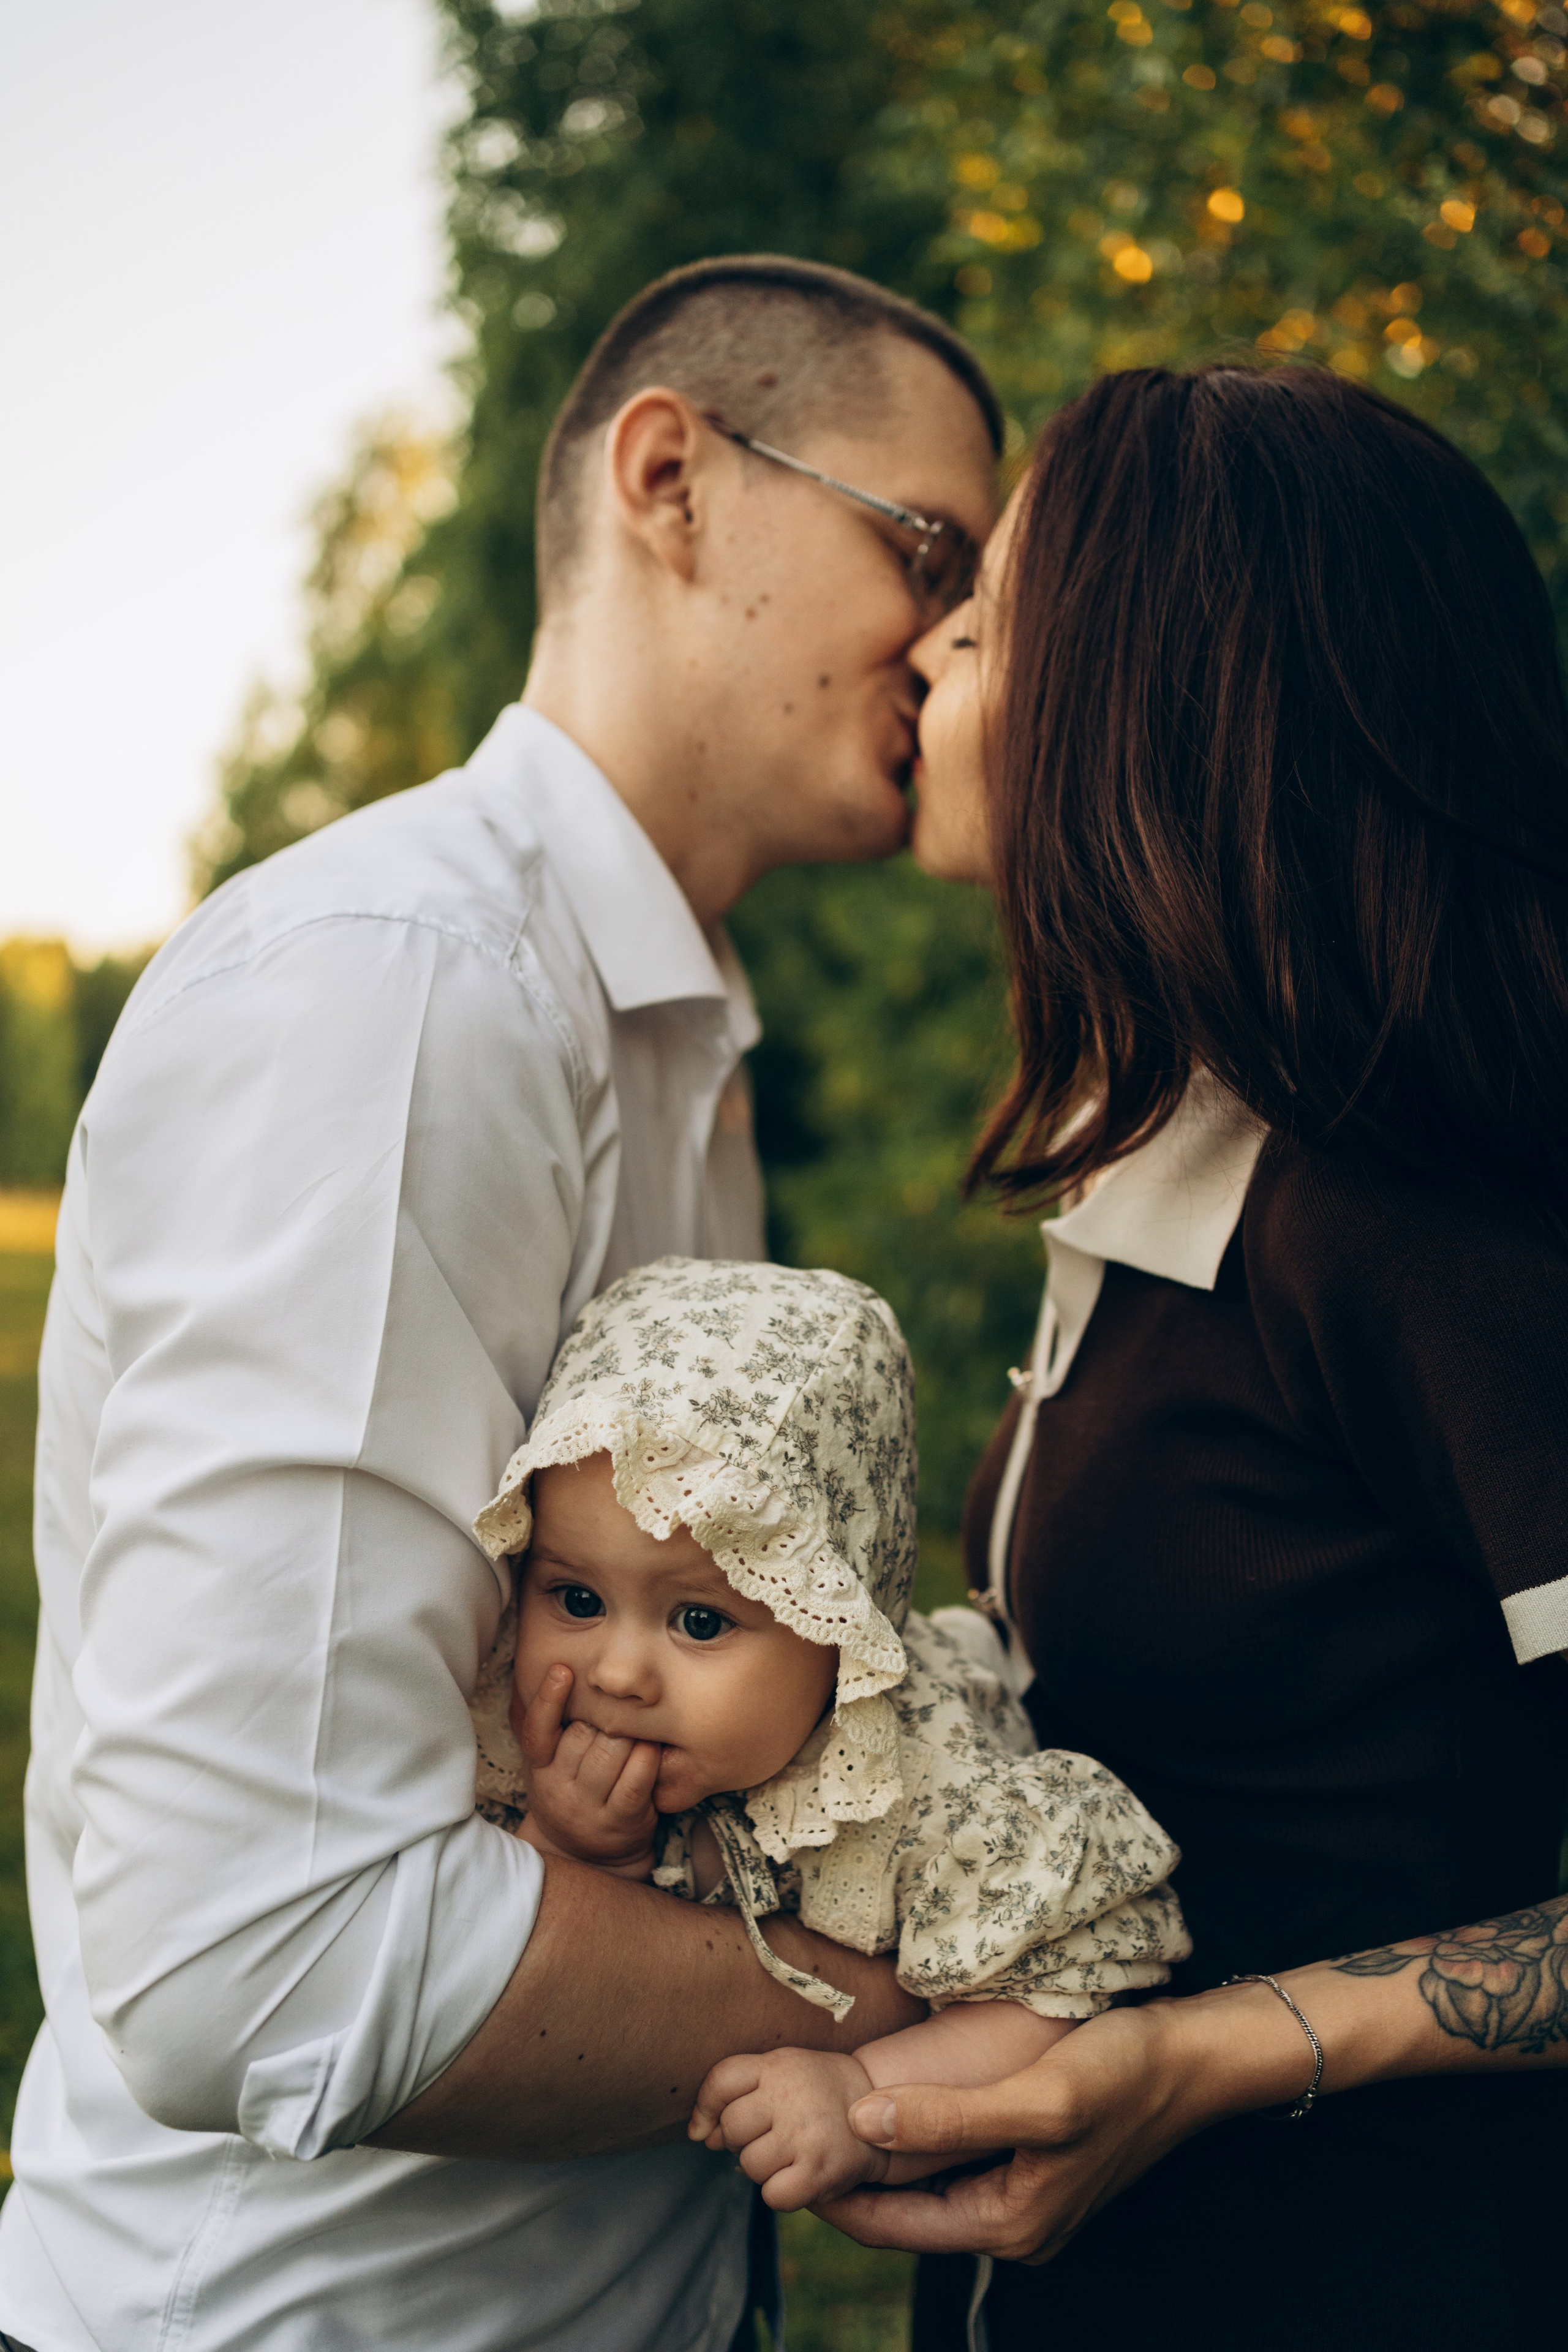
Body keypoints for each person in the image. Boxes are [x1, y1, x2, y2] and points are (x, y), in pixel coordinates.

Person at [0, 257, 1000, 2352]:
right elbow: (260, 1954)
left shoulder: (660, 1037)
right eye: (927, 548)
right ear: (672, 478)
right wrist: (944, 1994)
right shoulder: (410, 998)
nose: (963, 632)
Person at [818, 363, 1568, 2350]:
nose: (927, 652)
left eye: (987, 620)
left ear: (1140, 693)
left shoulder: (1412, 1233)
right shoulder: (1168, 1185)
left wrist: (1198, 2065)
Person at [463, 1253, 1186, 2210]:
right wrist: (568, 1843)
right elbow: (522, 1953)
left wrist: (864, 2094)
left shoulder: (928, 1792)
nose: (619, 1673)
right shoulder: (531, 1732)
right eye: (578, 1597)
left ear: (838, 1626)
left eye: (701, 1622)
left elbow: (1058, 2001)